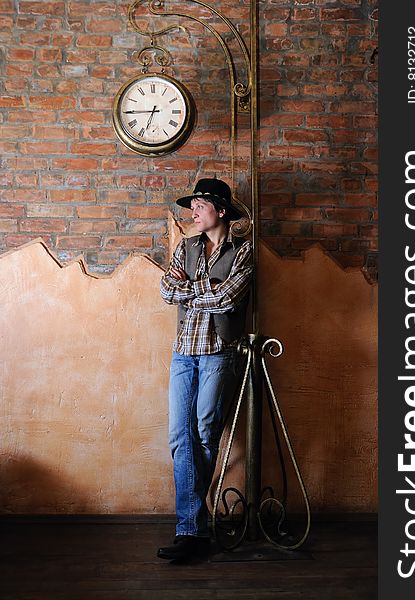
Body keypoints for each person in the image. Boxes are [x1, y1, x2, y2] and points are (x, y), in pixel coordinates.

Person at [158, 178, 253, 561]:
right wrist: (207, 288)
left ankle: (193, 531)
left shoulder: (242, 252)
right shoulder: (185, 247)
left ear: (221, 211)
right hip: (184, 352)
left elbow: (229, 300)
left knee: (203, 435)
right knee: (180, 438)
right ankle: (191, 530)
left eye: (199, 206)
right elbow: (167, 291)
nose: (192, 212)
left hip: (219, 353)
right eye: (192, 206)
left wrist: (193, 288)